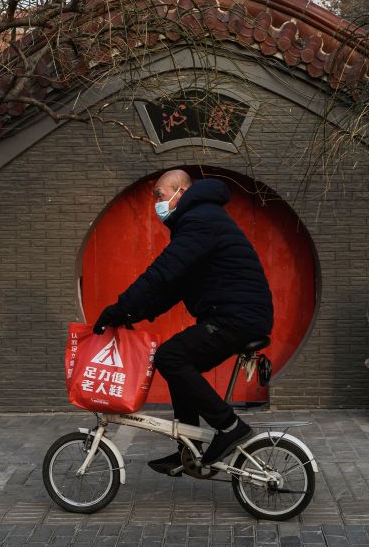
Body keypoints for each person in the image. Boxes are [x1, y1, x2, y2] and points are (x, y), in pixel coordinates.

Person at [93, 169, 274, 475]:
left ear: (179, 191)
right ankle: (188, 449)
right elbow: (174, 288)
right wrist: (127, 315)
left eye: (159, 196)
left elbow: (162, 272)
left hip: (238, 317)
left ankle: (230, 426)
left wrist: (119, 305)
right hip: (234, 315)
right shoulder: (199, 221)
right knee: (179, 365)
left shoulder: (200, 220)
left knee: (171, 356)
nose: (156, 204)